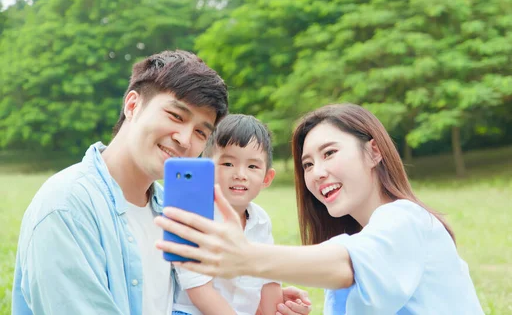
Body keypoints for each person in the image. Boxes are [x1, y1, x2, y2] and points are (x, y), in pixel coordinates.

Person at [12, 50, 311, 315]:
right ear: (132, 105)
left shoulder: (173, 208)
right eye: (175, 116)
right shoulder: (67, 207)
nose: (184, 140)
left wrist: (251, 301)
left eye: (200, 132)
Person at [155, 104, 485, 314]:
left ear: (374, 152)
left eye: (329, 153)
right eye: (308, 164)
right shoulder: (365, 237)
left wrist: (245, 258)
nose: (317, 172)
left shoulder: (405, 219)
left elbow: (348, 265)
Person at [171, 114, 284, 315]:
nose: (240, 174)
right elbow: (198, 289)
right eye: (228, 164)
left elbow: (269, 277)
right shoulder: (194, 217)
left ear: (267, 178)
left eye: (252, 166)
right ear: (206, 169)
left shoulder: (260, 220)